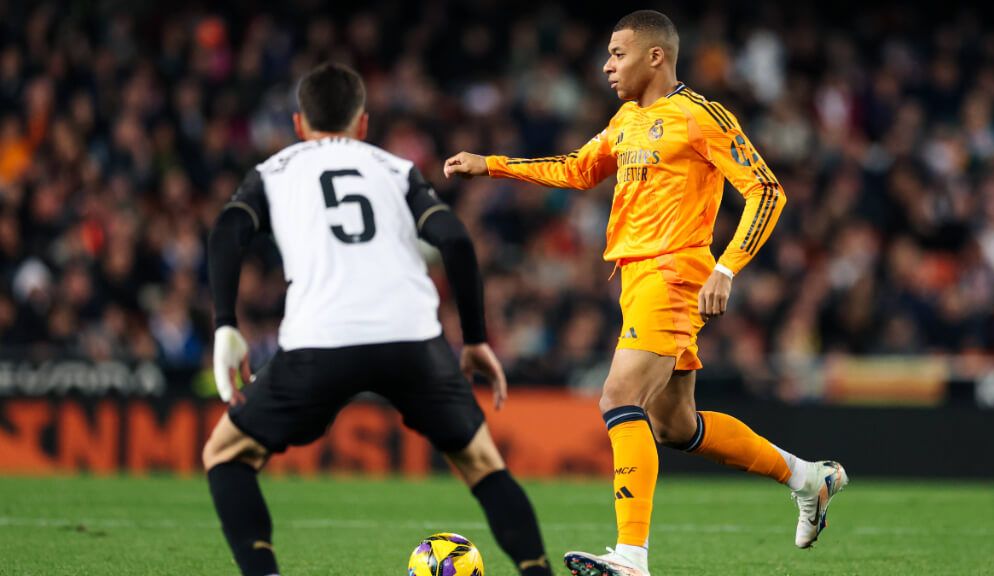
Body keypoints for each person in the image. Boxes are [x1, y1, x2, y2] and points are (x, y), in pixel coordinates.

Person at [444, 10, 847, 576]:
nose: (607, 65)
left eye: (618, 53)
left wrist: (726, 269)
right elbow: (576, 169)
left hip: (674, 274)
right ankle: (810, 477)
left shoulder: (699, 116)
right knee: (676, 427)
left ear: (655, 56)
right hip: (635, 280)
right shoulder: (627, 119)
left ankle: (632, 557)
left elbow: (767, 192)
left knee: (616, 397)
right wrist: (492, 165)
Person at [203, 62, 552, 576]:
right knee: (482, 465)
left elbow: (227, 231)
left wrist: (225, 324)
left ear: (299, 124)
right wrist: (475, 339)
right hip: (411, 337)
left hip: (320, 337)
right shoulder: (395, 169)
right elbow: (454, 240)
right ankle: (537, 571)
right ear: (362, 124)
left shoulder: (273, 172)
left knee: (226, 455)